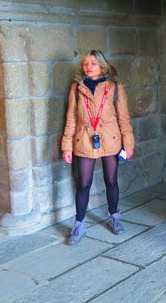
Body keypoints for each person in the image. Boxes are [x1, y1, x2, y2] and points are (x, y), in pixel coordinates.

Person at [61, 50, 134, 245]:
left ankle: (115, 217)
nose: (88, 66)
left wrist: (128, 143)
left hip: (110, 139)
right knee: (83, 183)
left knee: (111, 180)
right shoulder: (77, 88)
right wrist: (67, 146)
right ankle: (79, 224)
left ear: (102, 66)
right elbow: (71, 118)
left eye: (93, 63)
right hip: (85, 139)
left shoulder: (114, 87)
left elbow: (124, 118)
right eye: (86, 63)